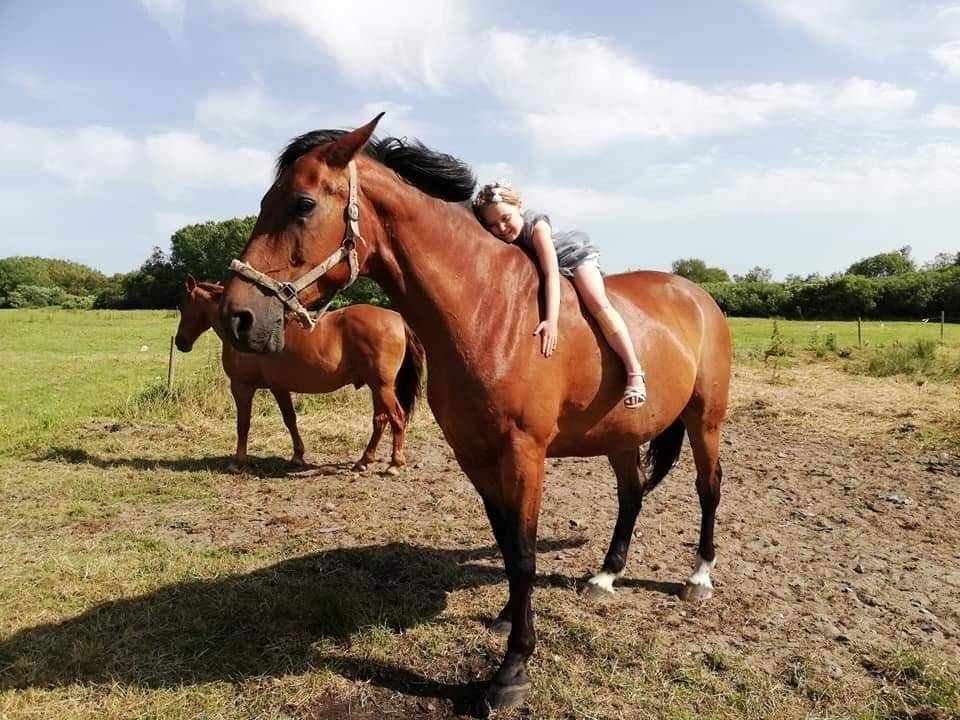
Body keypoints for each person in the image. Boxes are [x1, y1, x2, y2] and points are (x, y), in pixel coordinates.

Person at [473, 180, 647, 408]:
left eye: (505, 218)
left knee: (598, 304)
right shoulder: (502, 239)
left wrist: (551, 321)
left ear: (519, 207)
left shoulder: (537, 226)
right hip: (544, 267)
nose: (502, 229)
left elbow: (551, 274)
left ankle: (634, 371)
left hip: (573, 259)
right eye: (493, 225)